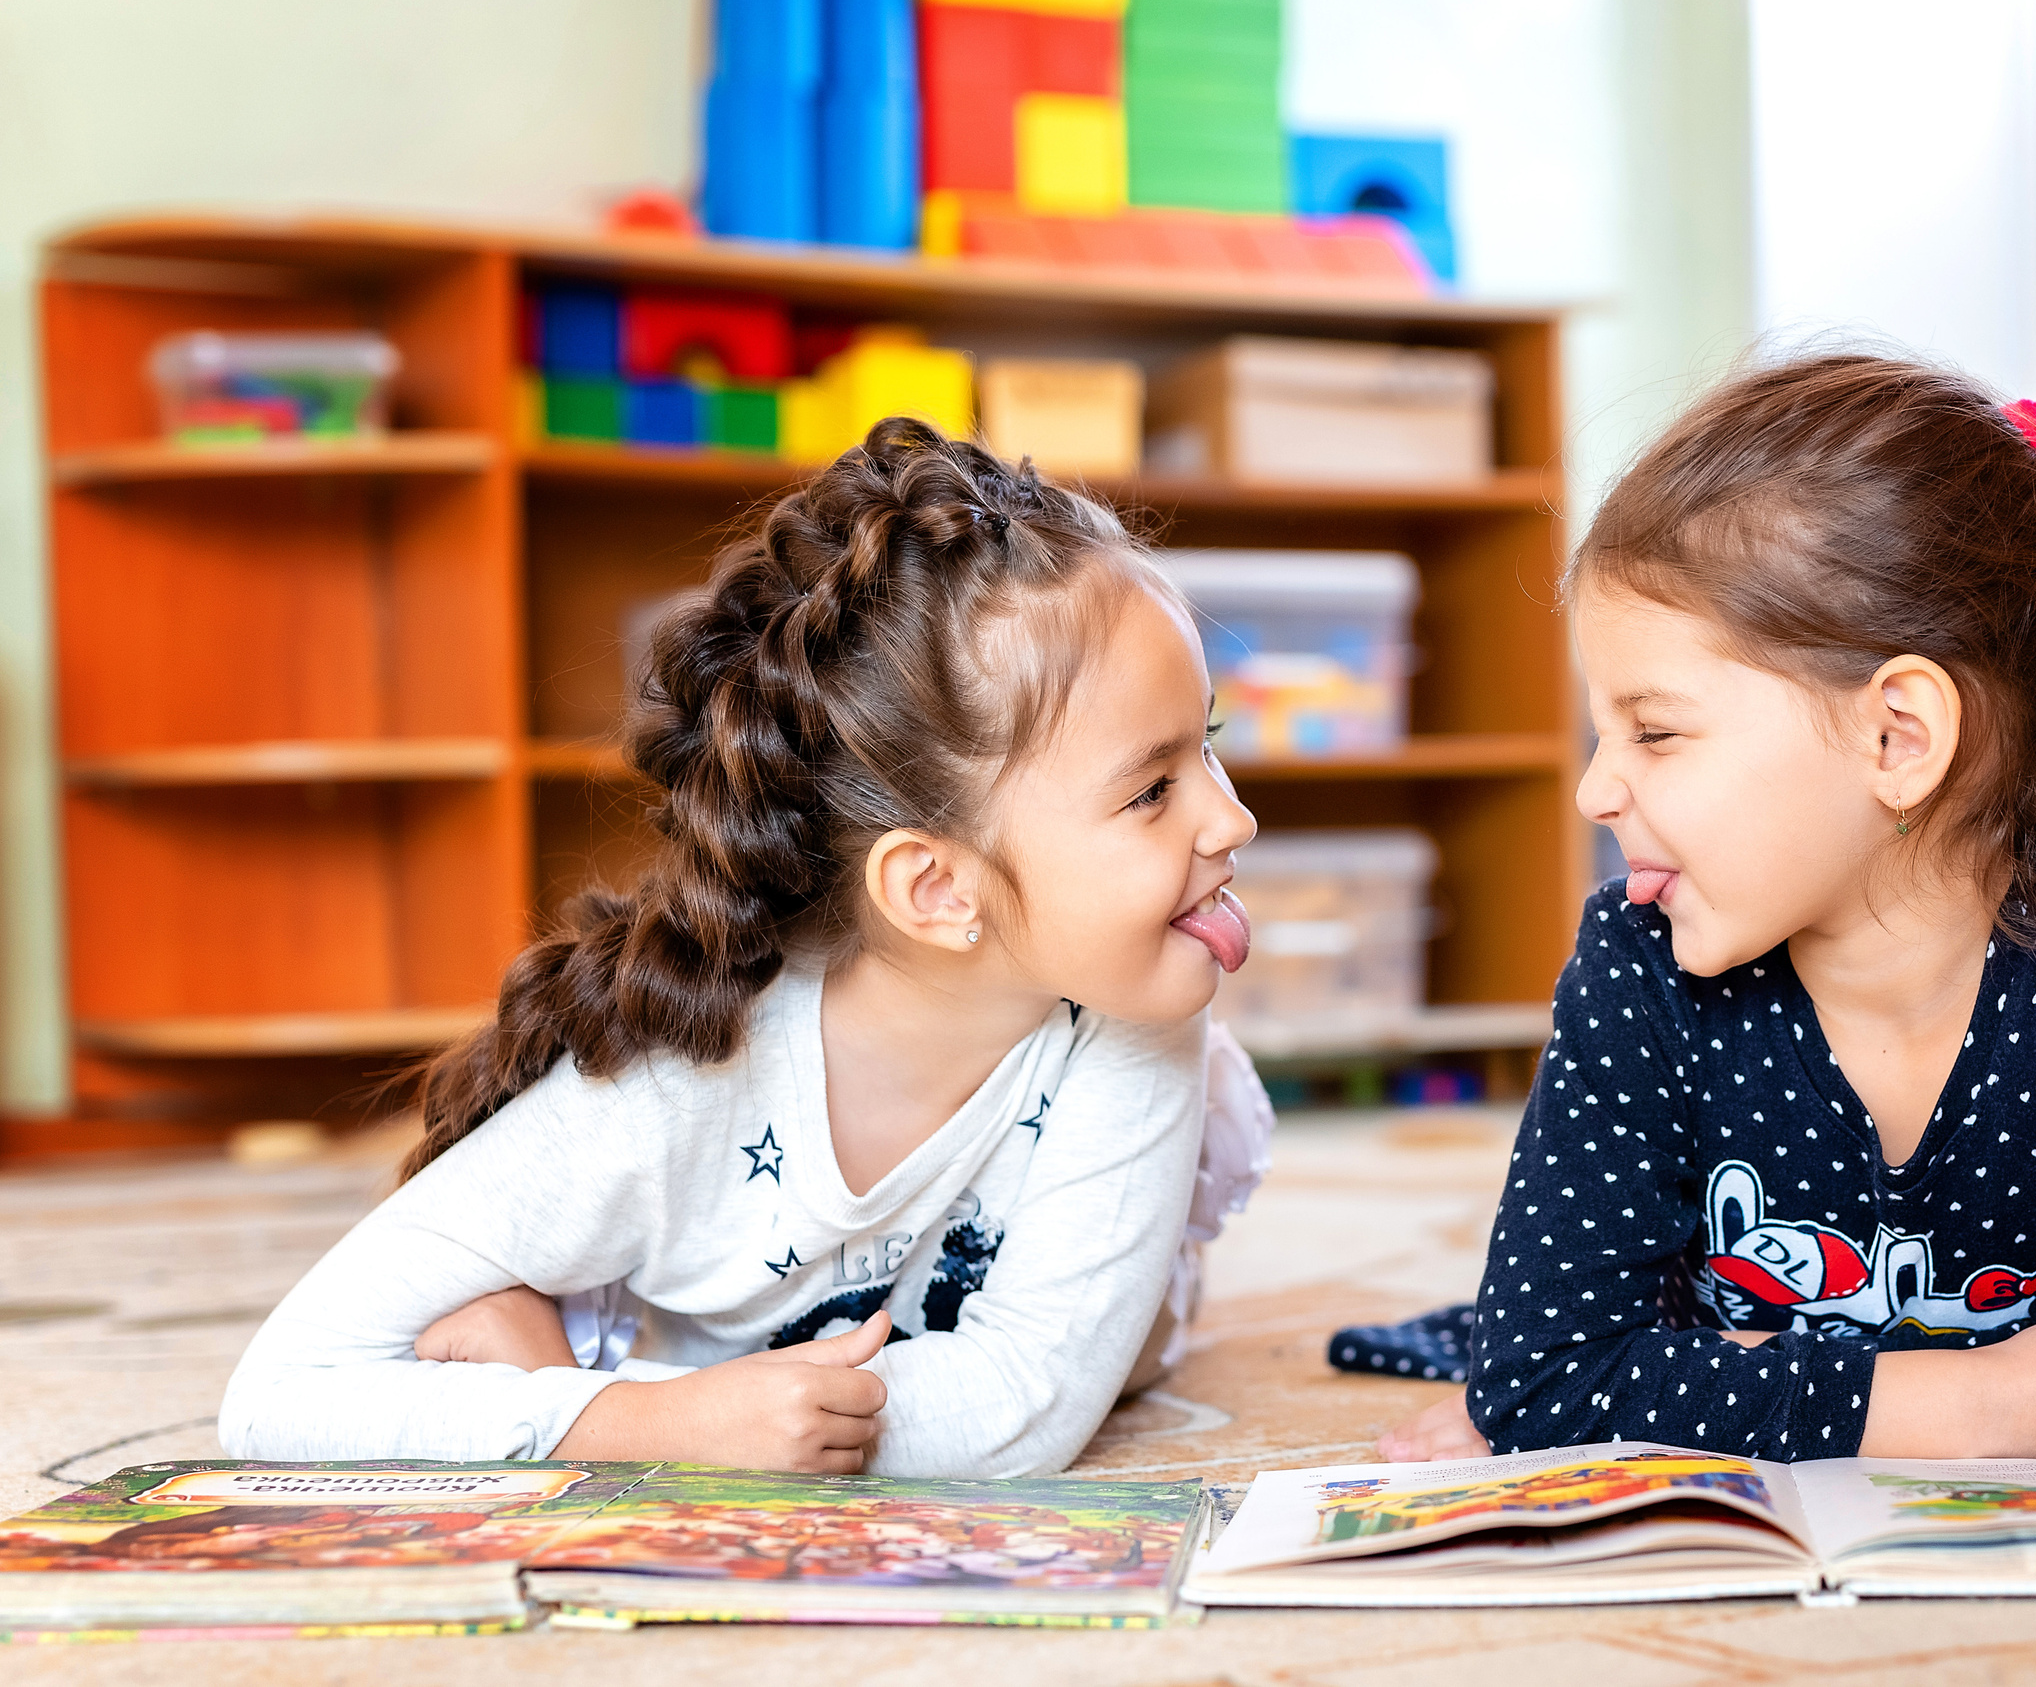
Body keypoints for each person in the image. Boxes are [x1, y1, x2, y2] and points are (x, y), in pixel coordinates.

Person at [221, 418, 1266, 1478]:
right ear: (937, 888)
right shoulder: (662, 1093)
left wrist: (627, 1404)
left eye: (1209, 749)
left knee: (1130, 1352)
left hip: (1100, 1317)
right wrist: (638, 1430)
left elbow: (1020, 1410)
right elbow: (279, 1395)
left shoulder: (1141, 1009)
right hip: (733, 1300)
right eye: (1151, 790)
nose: (1233, 822)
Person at [1360, 355, 2036, 1464]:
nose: (1595, 790)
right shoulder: (1634, 956)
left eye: (1655, 730)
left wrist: (1668, 1383)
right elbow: (1544, 1379)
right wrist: (1983, 1408)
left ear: (1897, 738)